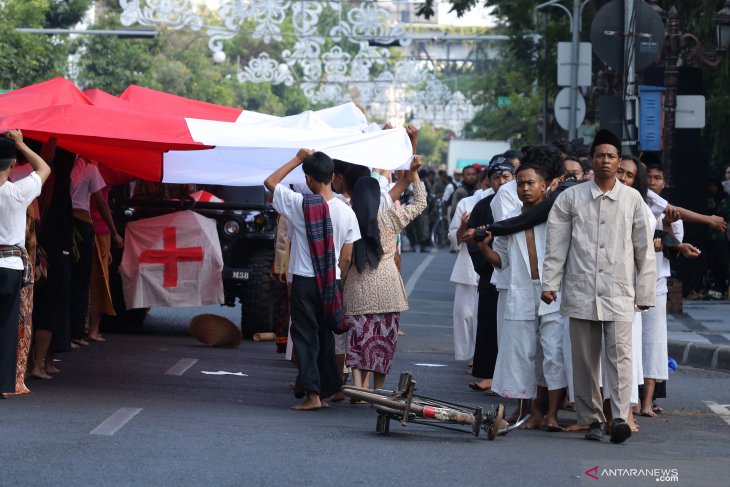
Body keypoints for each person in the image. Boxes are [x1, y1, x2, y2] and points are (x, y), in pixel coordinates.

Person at [541, 129, 656, 444]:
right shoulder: (570, 198)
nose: (605, 161)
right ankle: (591, 419)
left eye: (611, 156)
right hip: (581, 289)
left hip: (619, 292)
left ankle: (618, 417)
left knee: (621, 356)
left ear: (619, 162)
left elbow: (644, 250)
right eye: (600, 155)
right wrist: (550, 283)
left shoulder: (633, 200)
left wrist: (645, 292)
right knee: (584, 359)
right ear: (591, 160)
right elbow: (556, 245)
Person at [264, 149, 360, 410]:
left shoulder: (301, 205)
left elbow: (270, 182)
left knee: (306, 337)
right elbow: (347, 258)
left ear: (308, 179)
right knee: (326, 338)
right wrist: (337, 283)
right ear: (332, 176)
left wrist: (297, 159)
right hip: (332, 282)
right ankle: (327, 388)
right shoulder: (347, 211)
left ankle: (312, 396)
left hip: (306, 281)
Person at [480, 164, 567, 432]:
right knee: (521, 353)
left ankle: (550, 414)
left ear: (544, 186)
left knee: (552, 353)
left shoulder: (557, 217)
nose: (525, 188)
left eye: (531, 183)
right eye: (520, 184)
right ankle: (526, 408)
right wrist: (483, 247)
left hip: (553, 292)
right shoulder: (509, 220)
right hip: (520, 291)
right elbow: (501, 260)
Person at [343, 156, 426, 390]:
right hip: (388, 290)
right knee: (382, 341)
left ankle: (358, 387)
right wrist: (415, 174)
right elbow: (420, 203)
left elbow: (344, 258)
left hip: (357, 288)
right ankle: (379, 389)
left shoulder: (349, 219)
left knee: (358, 339)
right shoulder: (391, 218)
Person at [0, 130, 51, 394]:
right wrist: (21, 143)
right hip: (11, 266)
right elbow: (44, 167)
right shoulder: (19, 192)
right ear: (13, 164)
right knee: (9, 327)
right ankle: (6, 384)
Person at [463, 157, 515, 392]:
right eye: (496, 178)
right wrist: (488, 262)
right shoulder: (483, 207)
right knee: (488, 324)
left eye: (506, 177)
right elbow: (473, 241)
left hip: (518, 274)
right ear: (489, 181)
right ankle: (487, 373)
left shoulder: (522, 206)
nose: (502, 182)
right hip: (490, 271)